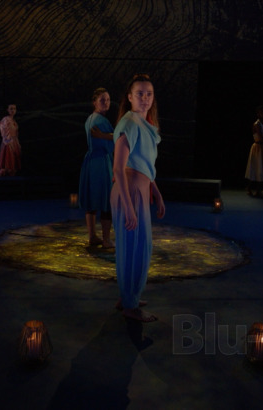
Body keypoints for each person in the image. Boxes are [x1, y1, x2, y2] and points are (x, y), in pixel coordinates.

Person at [111, 74, 165, 322]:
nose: (145, 98)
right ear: (130, 97)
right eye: (140, 93)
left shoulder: (144, 124)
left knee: (134, 245)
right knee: (136, 247)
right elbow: (118, 168)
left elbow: (144, 164)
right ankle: (130, 305)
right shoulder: (130, 124)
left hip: (138, 190)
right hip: (129, 191)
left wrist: (156, 193)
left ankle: (128, 296)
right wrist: (129, 206)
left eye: (149, 94)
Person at [79, 88, 115, 248]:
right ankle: (106, 240)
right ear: (94, 102)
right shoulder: (101, 121)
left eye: (108, 100)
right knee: (107, 200)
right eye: (102, 100)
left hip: (91, 162)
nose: (106, 102)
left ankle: (92, 236)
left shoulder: (90, 119)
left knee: (92, 200)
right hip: (101, 162)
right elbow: (117, 140)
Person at [245, 105, 263, 196]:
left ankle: (257, 189)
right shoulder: (257, 124)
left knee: (261, 168)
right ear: (258, 114)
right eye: (261, 112)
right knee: (256, 167)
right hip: (257, 148)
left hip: (262, 148)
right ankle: (250, 187)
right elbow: (260, 137)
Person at [0, 104, 21, 177]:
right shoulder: (6, 119)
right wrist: (8, 142)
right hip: (8, 143)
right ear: (7, 110)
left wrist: (17, 145)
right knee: (6, 167)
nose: (13, 110)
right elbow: (4, 132)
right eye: (11, 109)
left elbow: (16, 134)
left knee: (13, 168)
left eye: (14, 109)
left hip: (14, 143)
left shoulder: (14, 121)